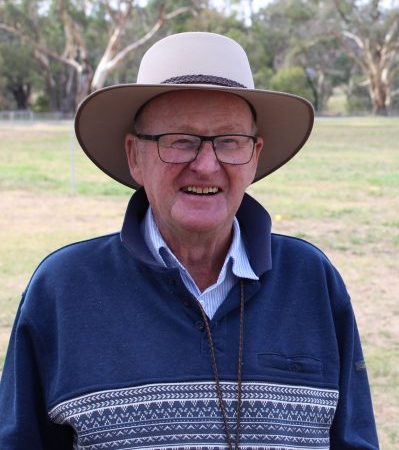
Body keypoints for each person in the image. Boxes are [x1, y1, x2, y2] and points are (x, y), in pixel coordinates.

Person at [0, 32, 378, 449]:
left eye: (230, 142)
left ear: (255, 157)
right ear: (134, 156)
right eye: (179, 141)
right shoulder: (63, 289)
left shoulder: (312, 281)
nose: (205, 165)